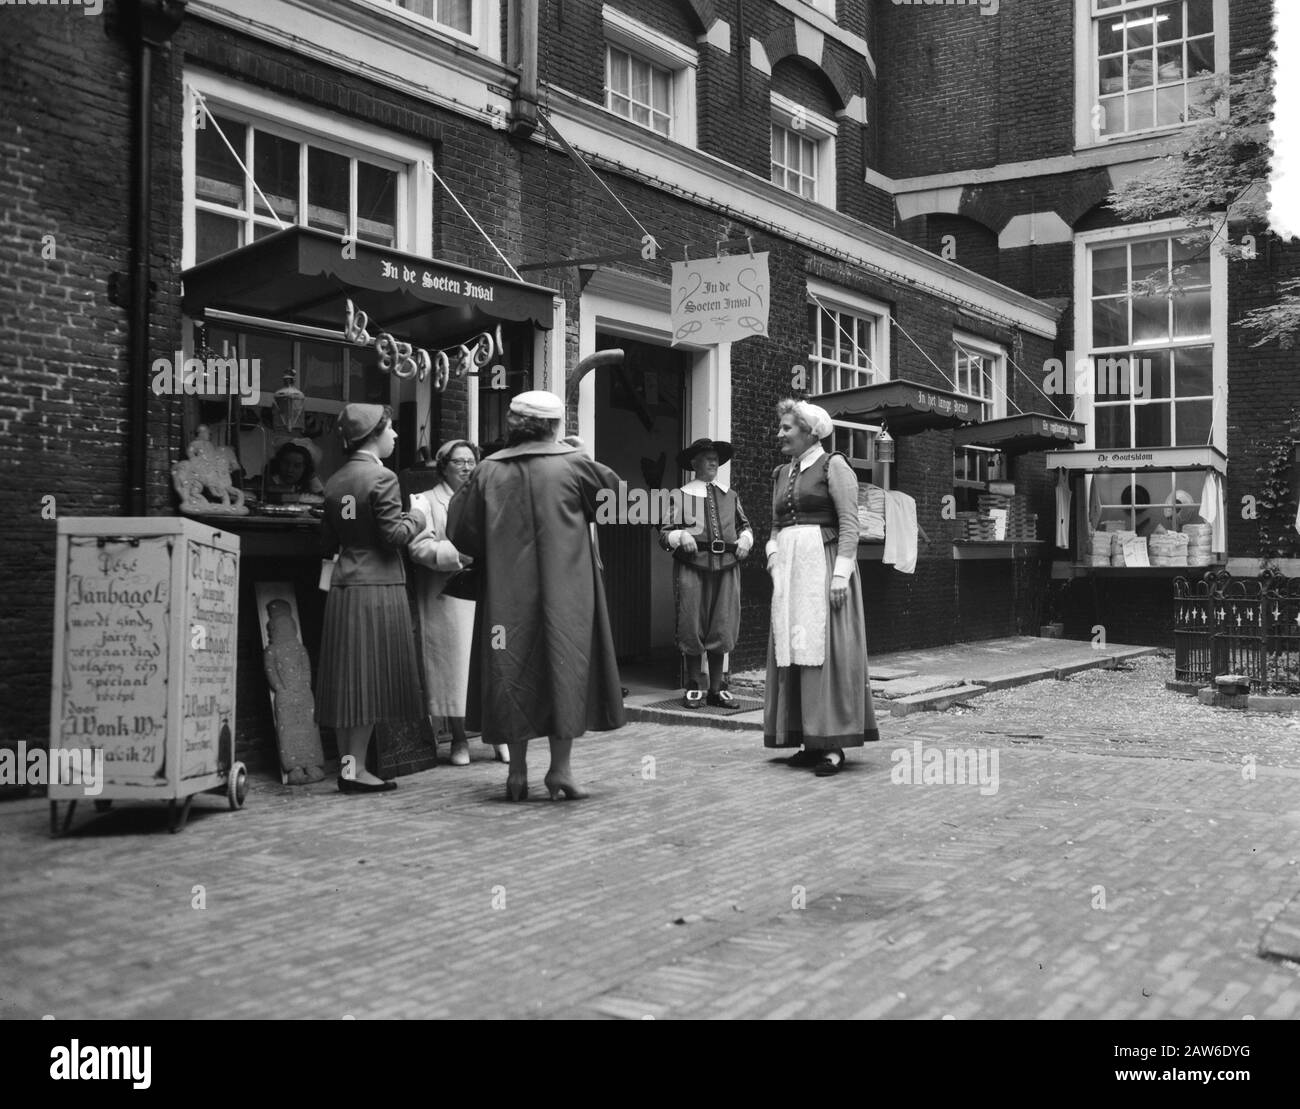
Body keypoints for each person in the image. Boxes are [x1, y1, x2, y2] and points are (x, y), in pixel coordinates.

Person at [446, 390, 625, 801]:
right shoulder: (574, 465)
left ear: (514, 424)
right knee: (567, 669)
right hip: (570, 592)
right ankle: (560, 771)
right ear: (555, 425)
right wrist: (585, 455)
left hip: (505, 595)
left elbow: (461, 532)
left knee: (511, 668)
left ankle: (517, 774)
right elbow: (618, 506)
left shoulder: (487, 470)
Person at [315, 403, 428, 794]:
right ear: (373, 436)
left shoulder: (334, 481)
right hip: (378, 588)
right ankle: (357, 770)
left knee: (349, 680)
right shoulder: (383, 479)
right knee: (367, 682)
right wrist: (420, 516)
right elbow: (394, 536)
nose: (395, 435)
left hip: (345, 586)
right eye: (391, 429)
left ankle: (349, 767)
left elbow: (328, 542)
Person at [764, 398, 879, 776]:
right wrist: (773, 555)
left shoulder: (834, 465)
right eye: (780, 427)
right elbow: (777, 525)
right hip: (792, 570)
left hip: (825, 565)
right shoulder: (783, 472)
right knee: (793, 650)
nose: (779, 434)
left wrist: (840, 575)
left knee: (828, 654)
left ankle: (832, 745)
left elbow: (850, 523)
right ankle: (806, 739)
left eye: (787, 428)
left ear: (810, 431)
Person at [409, 440, 509, 767]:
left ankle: (500, 736)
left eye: (471, 462)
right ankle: (459, 739)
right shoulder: (425, 501)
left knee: (492, 665)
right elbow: (418, 546)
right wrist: (455, 555)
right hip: (447, 597)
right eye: (458, 462)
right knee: (452, 670)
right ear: (443, 466)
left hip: (486, 595)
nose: (466, 468)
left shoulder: (486, 499)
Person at [659, 438, 754, 707]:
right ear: (694, 463)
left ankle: (716, 687)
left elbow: (745, 526)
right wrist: (679, 535)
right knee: (691, 624)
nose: (713, 461)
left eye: (716, 457)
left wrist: (746, 540)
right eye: (707, 457)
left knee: (722, 625)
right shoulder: (679, 496)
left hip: (727, 567)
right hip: (692, 566)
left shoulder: (730, 495)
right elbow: (664, 534)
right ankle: (694, 685)